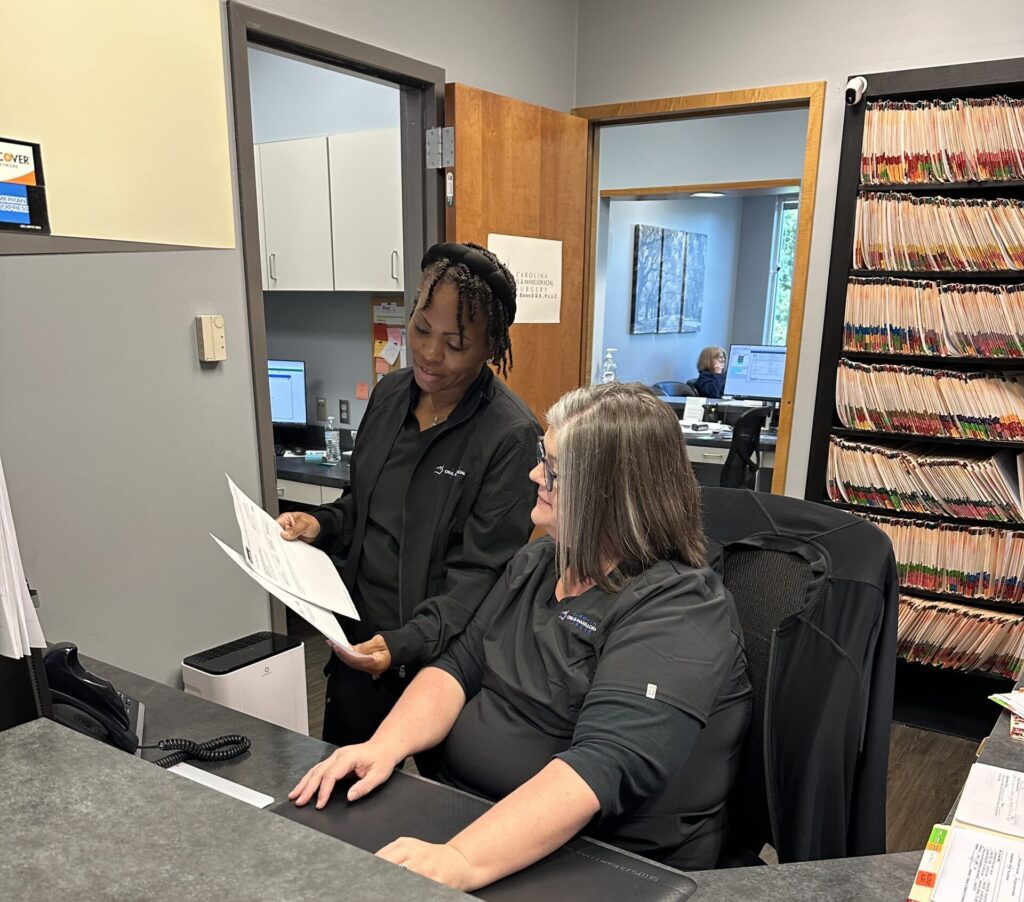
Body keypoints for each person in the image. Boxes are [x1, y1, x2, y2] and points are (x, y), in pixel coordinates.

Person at [290, 382, 752, 890]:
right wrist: (384, 747)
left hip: (600, 860)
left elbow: (598, 769)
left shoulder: (680, 611)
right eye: (542, 457)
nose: (536, 475)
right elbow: (457, 667)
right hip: (478, 818)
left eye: (553, 469)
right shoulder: (539, 561)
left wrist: (462, 860)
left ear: (609, 491)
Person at [277, 242, 540, 750]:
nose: (429, 353)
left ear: (490, 348)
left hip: (438, 664)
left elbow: (482, 574)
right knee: (343, 801)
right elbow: (366, 504)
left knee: (433, 814)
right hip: (360, 646)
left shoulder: (509, 435)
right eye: (421, 329)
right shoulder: (390, 395)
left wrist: (406, 644)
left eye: (455, 343)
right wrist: (323, 524)